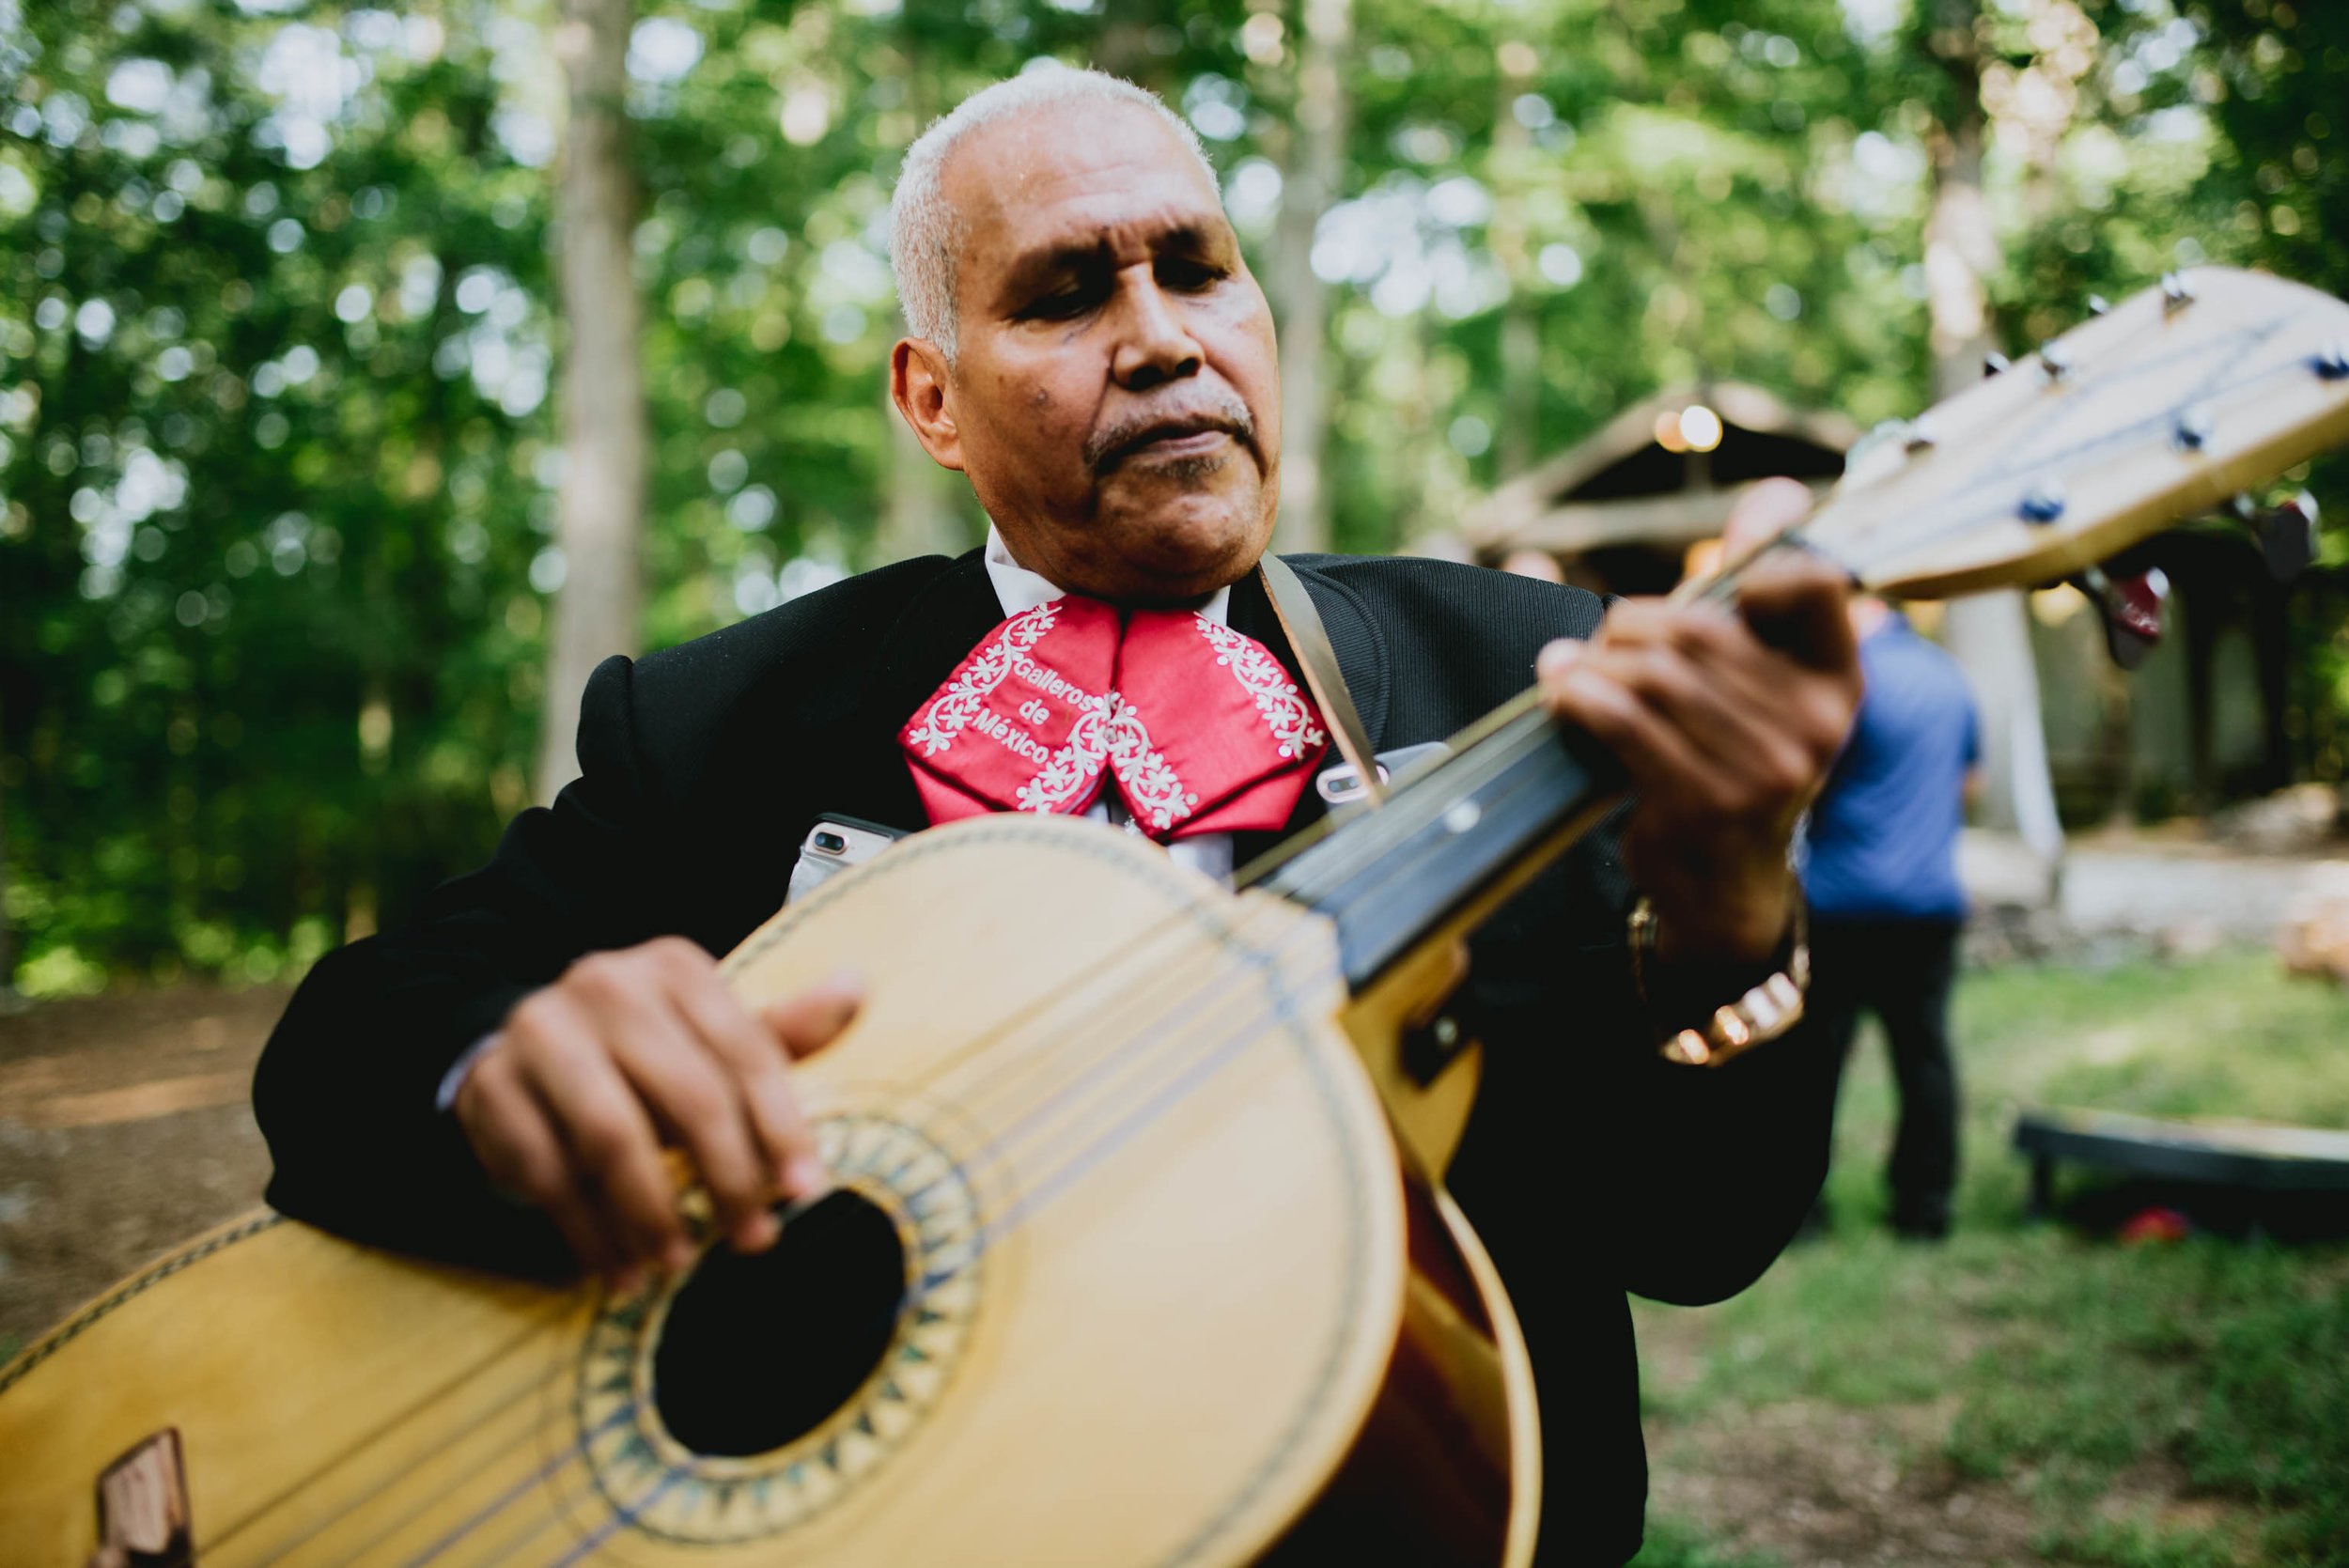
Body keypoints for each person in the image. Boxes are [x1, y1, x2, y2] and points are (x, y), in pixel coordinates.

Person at [253, 69, 1861, 1565]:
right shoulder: (717, 721)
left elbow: (1698, 1229)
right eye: (1067, 292)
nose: (1162, 337)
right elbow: (346, 1048)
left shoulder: (1532, 669)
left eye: (1198, 268)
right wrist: (499, 1059)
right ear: (932, 398)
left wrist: (1730, 912)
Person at [1800, 595, 1981, 1239]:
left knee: (1817, 1060)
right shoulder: (1948, 675)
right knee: (1925, 1055)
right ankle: (1924, 1207)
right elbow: (1970, 782)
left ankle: (1801, 1210)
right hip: (1930, 901)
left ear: (1859, 603)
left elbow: (1805, 779)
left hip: (1843, 903)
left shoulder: (1849, 679)